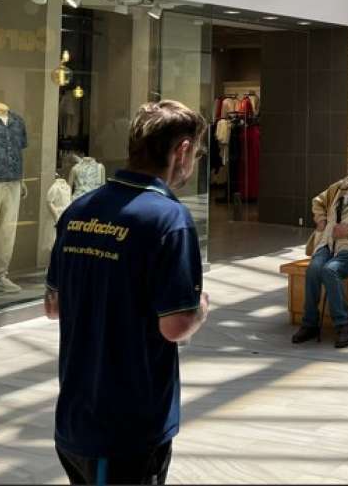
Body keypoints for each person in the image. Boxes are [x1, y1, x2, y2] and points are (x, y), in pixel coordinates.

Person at [45, 100, 210, 485]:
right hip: (128, 428)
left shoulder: (79, 210)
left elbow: (53, 306)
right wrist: (200, 309)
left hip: (74, 416)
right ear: (182, 150)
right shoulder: (169, 218)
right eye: (197, 154)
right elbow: (175, 326)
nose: (194, 164)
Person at [292, 162, 348, 349]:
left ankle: (344, 325)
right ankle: (309, 324)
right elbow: (318, 201)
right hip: (327, 243)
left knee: (330, 270)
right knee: (313, 269)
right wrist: (321, 219)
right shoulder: (340, 187)